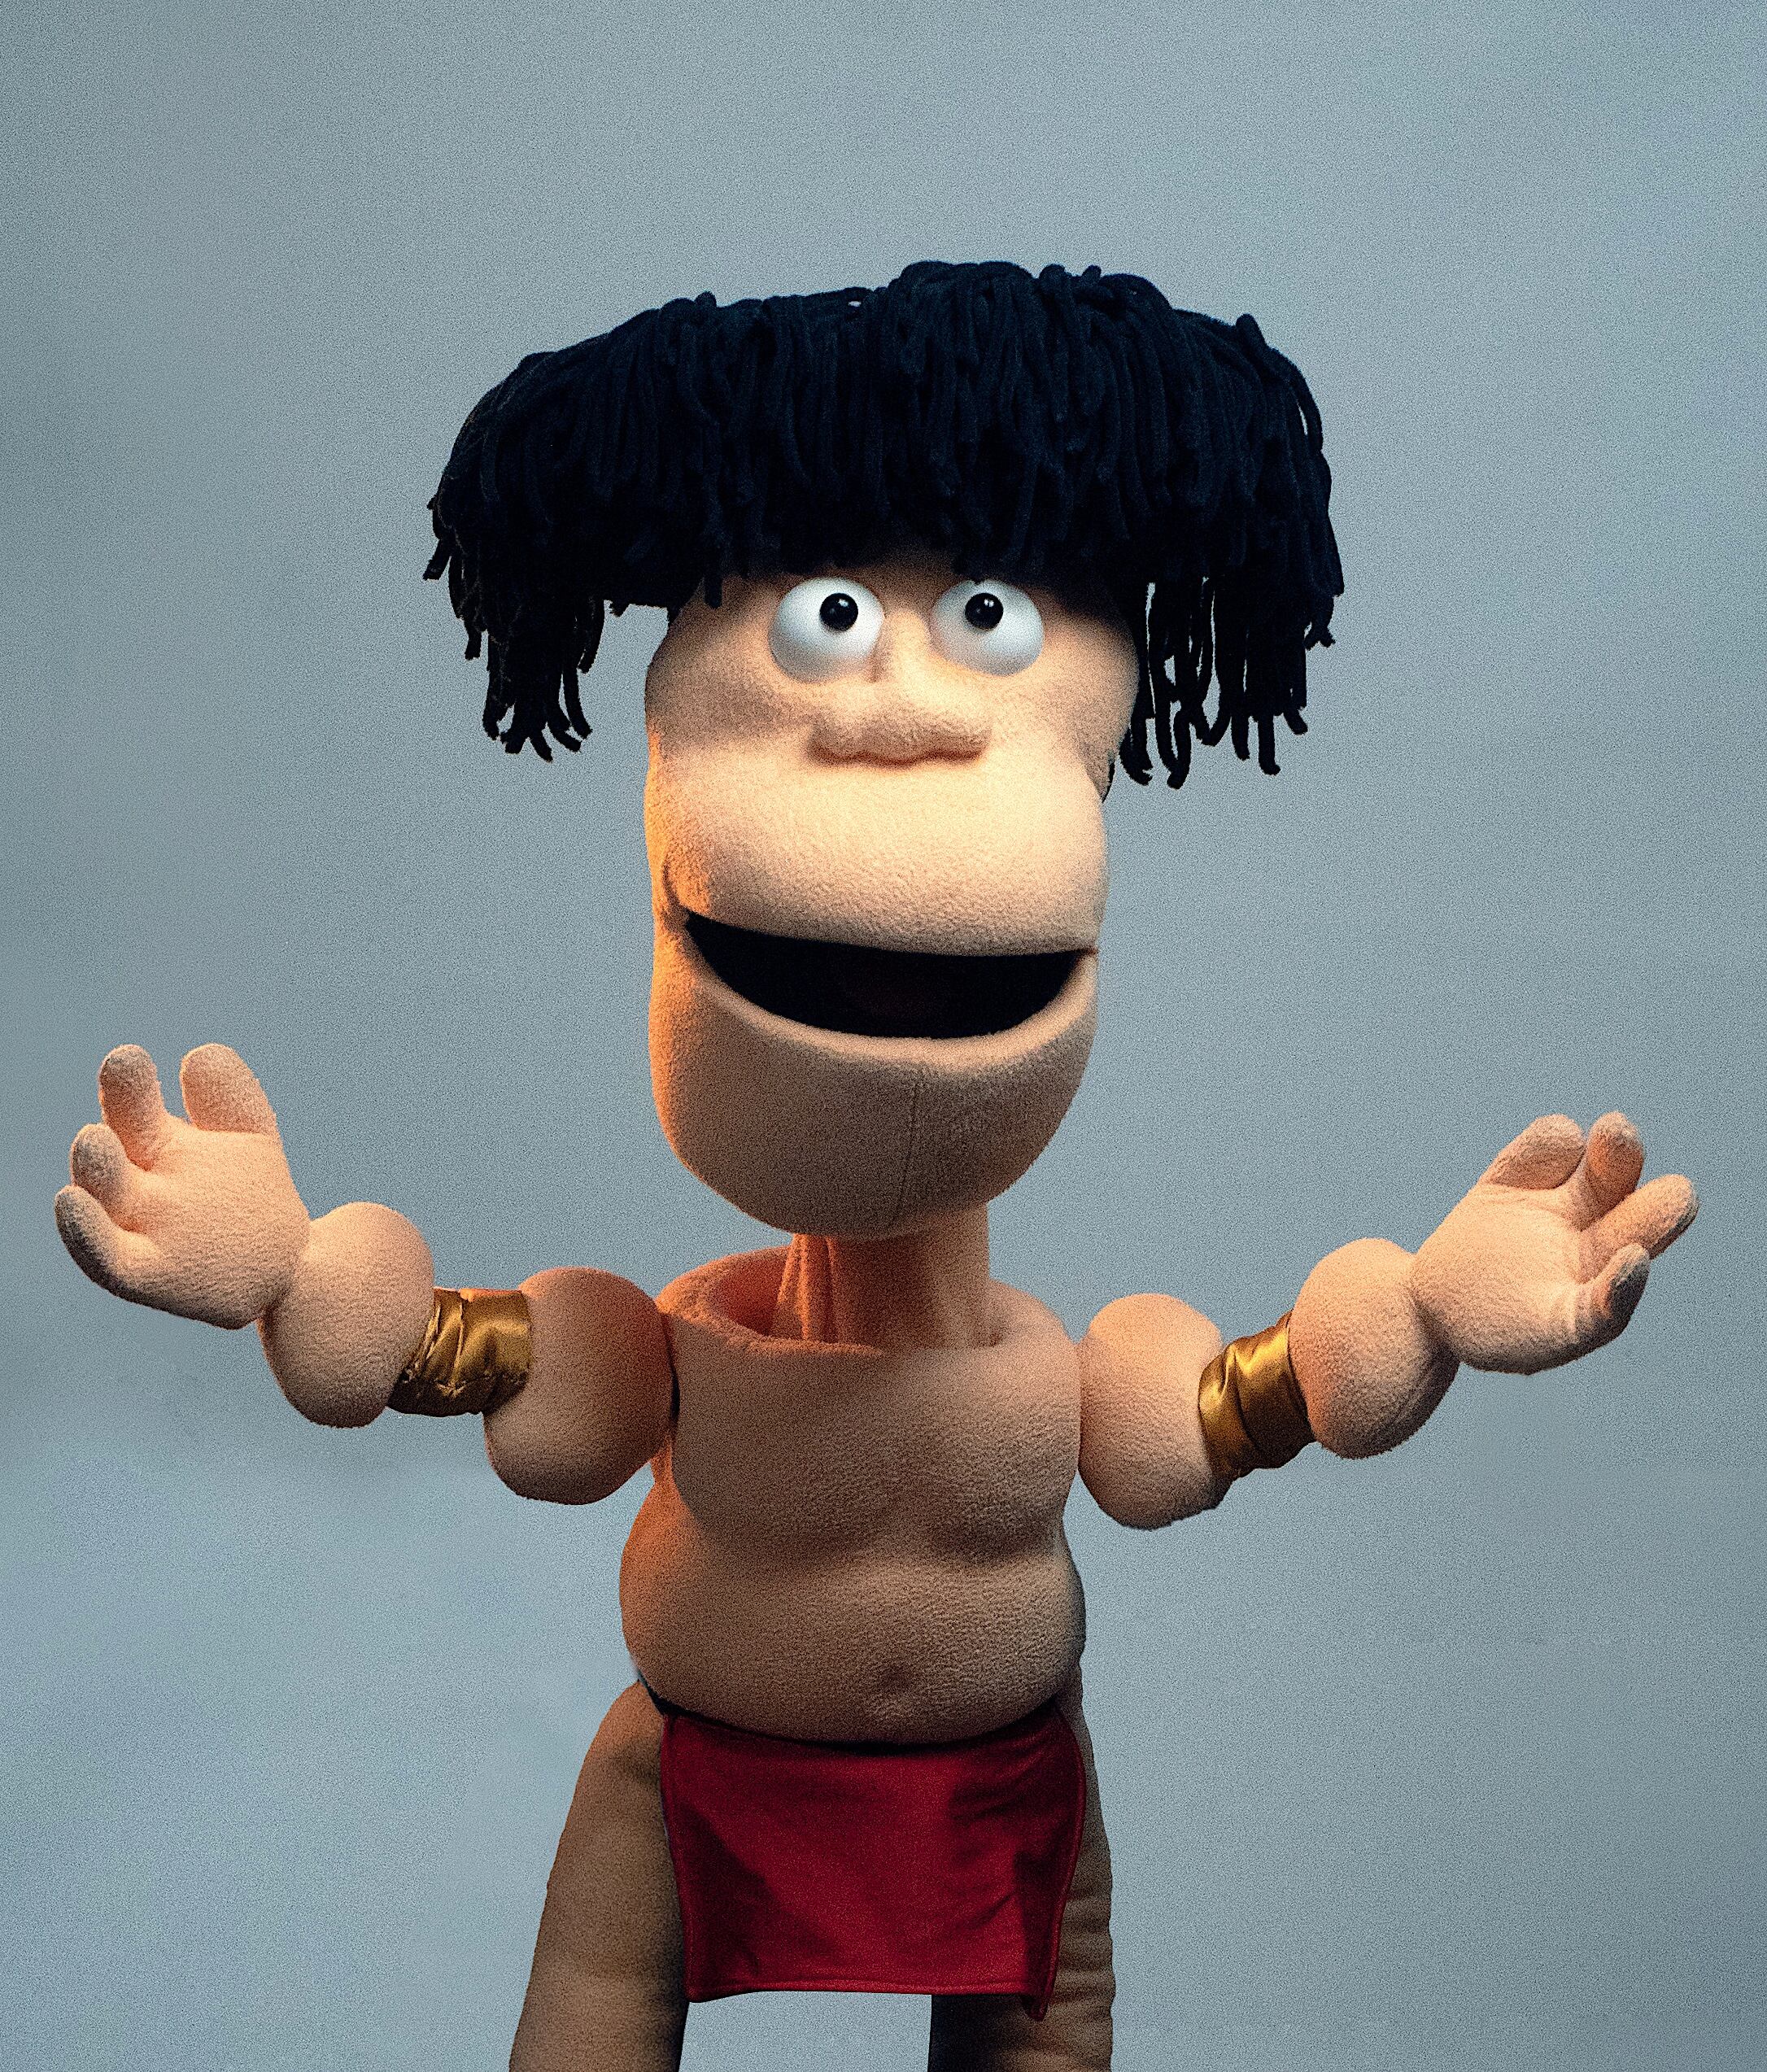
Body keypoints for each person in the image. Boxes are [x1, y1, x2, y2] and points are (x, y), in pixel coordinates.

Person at [55, 263, 1697, 2072]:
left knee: (1038, 2033)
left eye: (988, 624)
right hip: (695, 1777)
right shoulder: (662, 1349)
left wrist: (1425, 1315)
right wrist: (295, 1274)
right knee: (595, 2013)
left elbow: (1233, 1409)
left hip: (1003, 1794)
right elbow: (463, 1355)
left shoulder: (1067, 1379)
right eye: (827, 622)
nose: (904, 714)